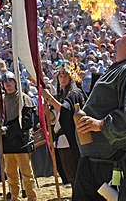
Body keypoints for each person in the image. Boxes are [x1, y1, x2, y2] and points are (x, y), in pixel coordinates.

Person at [73, 28, 126, 200]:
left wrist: (101, 124)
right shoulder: (122, 69)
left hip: (125, 159)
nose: (123, 33)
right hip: (99, 159)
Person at [41, 61, 86, 190]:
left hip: (73, 139)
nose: (63, 78)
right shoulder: (59, 96)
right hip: (61, 140)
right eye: (60, 76)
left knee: (76, 174)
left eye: (65, 75)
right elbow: (54, 118)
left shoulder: (75, 93)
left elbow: (65, 111)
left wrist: (48, 97)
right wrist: (47, 111)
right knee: (69, 174)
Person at [0, 71, 38, 201]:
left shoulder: (24, 98)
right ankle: (14, 197)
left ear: (15, 82)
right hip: (7, 143)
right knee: (10, 173)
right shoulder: (1, 102)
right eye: (5, 82)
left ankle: (31, 197)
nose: (7, 84)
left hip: (21, 141)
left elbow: (27, 121)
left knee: (26, 173)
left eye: (10, 80)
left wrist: (9, 129)